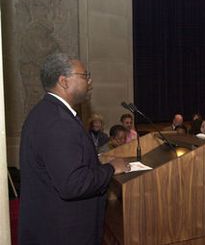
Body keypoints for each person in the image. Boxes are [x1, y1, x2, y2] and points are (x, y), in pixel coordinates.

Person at [19, 53, 130, 245]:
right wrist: (111, 168)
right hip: (63, 233)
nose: (90, 81)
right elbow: (73, 184)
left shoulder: (48, 112)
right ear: (63, 81)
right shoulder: (58, 122)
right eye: (85, 75)